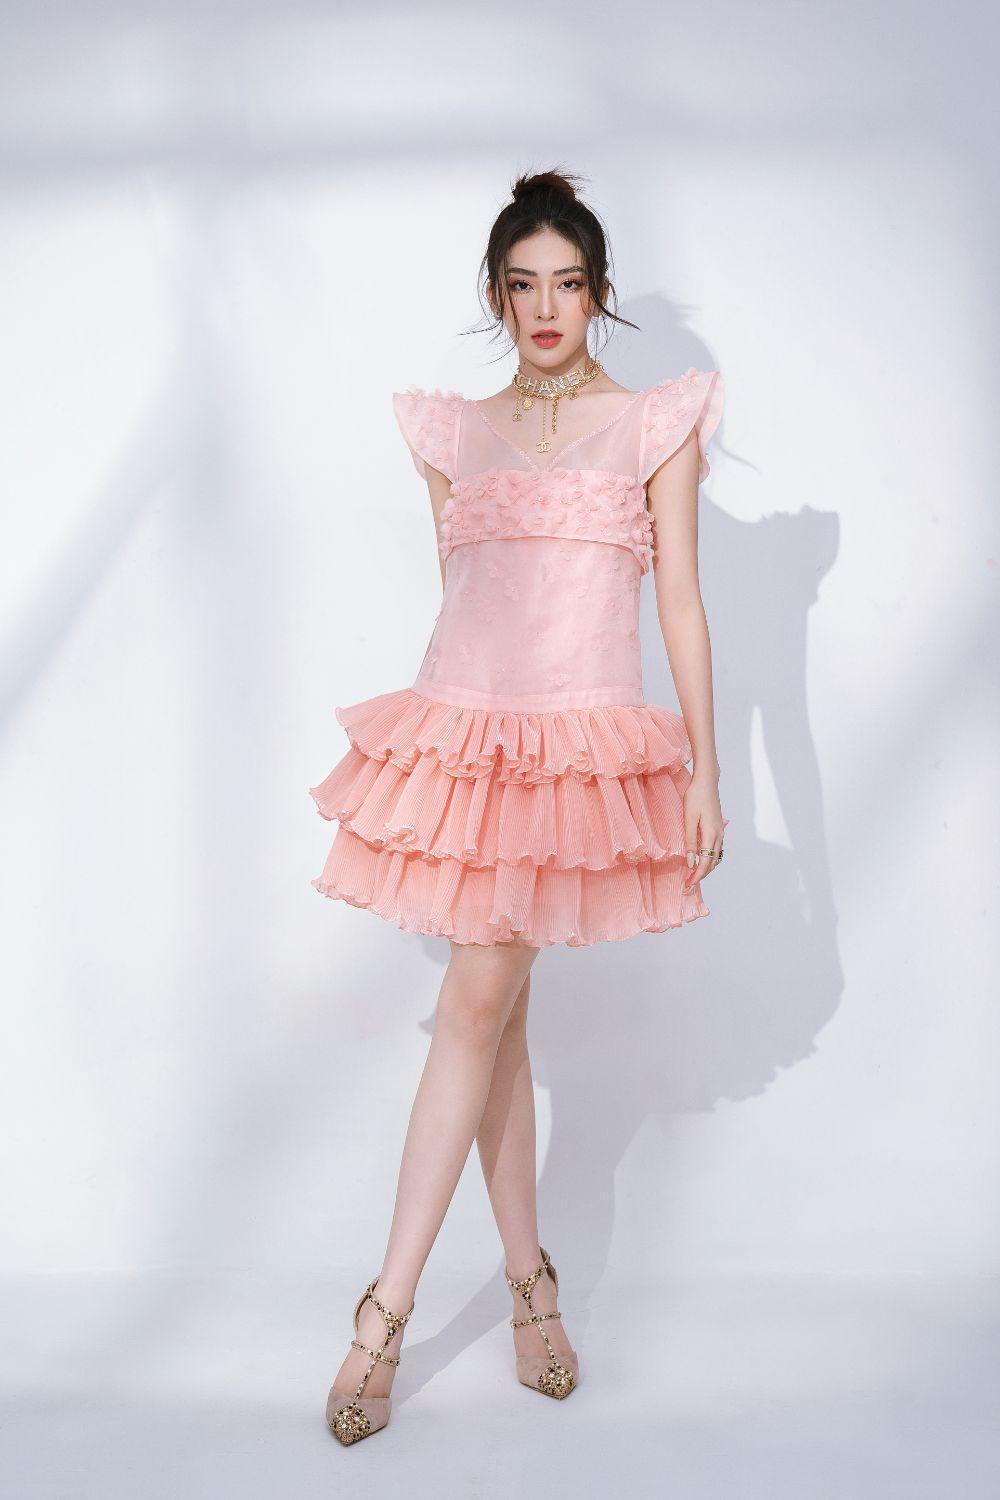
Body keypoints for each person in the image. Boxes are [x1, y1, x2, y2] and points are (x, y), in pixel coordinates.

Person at [308, 167, 728, 1445]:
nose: (547, 307)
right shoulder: (449, 432)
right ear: (497, 296)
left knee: (476, 1008)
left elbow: (679, 603)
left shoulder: (653, 423)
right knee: (494, 1018)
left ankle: (386, 1313)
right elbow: (467, 598)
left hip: (577, 753)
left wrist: (705, 771)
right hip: (466, 741)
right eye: (524, 284)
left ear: (598, 293)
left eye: (569, 283)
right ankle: (525, 1290)